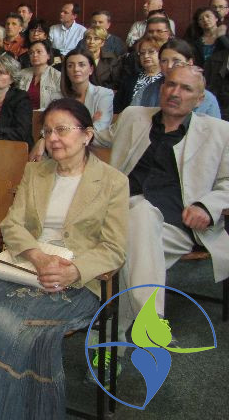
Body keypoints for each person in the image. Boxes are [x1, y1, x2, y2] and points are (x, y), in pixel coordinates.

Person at [0, 98, 128, 420]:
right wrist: (37, 256)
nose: (53, 138)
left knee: (12, 328)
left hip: (76, 278)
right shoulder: (35, 171)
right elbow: (11, 225)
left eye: (62, 130)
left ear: (87, 135)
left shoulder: (113, 181)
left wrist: (75, 271)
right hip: (26, 265)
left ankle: (17, 411)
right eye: (47, 131)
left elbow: (114, 248)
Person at [92, 66, 229, 341]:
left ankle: (114, 338)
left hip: (177, 224)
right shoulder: (134, 116)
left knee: (139, 220)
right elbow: (92, 136)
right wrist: (48, 138)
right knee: (137, 234)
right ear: (162, 88)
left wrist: (206, 206)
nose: (175, 93)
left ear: (200, 99)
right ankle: (145, 327)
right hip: (120, 215)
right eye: (171, 85)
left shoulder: (220, 132)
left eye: (186, 89)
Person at [139, 38, 221, 117]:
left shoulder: (207, 99)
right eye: (164, 61)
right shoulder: (147, 91)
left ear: (190, 62)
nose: (169, 66)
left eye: (176, 60)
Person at [114, 35, 163, 113]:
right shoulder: (129, 80)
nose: (146, 56)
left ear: (161, 54)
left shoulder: (167, 80)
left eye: (151, 52)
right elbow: (116, 108)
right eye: (142, 53)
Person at [16, 40, 62, 110]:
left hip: (46, 115)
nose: (34, 55)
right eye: (31, 53)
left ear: (48, 55)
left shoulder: (58, 76)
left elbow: (60, 104)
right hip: (22, 114)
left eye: (39, 52)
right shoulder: (21, 74)